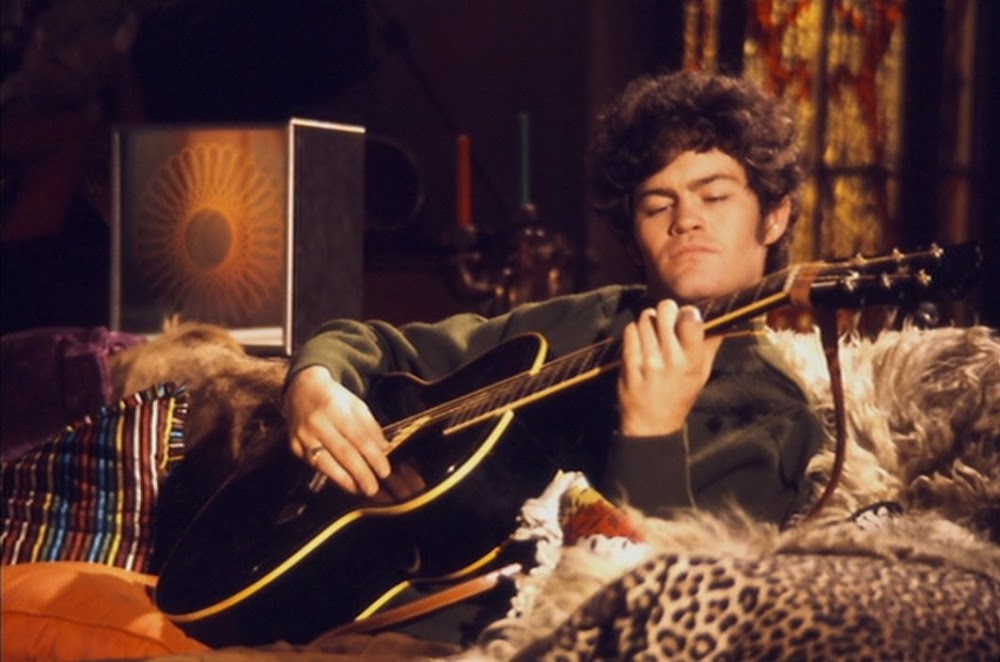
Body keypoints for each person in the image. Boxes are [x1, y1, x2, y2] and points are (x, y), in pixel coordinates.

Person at [283, 69, 825, 528]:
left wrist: (652, 433)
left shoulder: (779, 417)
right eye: (657, 205)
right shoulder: (585, 318)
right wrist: (313, 385)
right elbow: (379, 345)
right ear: (632, 234)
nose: (686, 219)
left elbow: (673, 596)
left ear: (774, 216)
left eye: (715, 196)